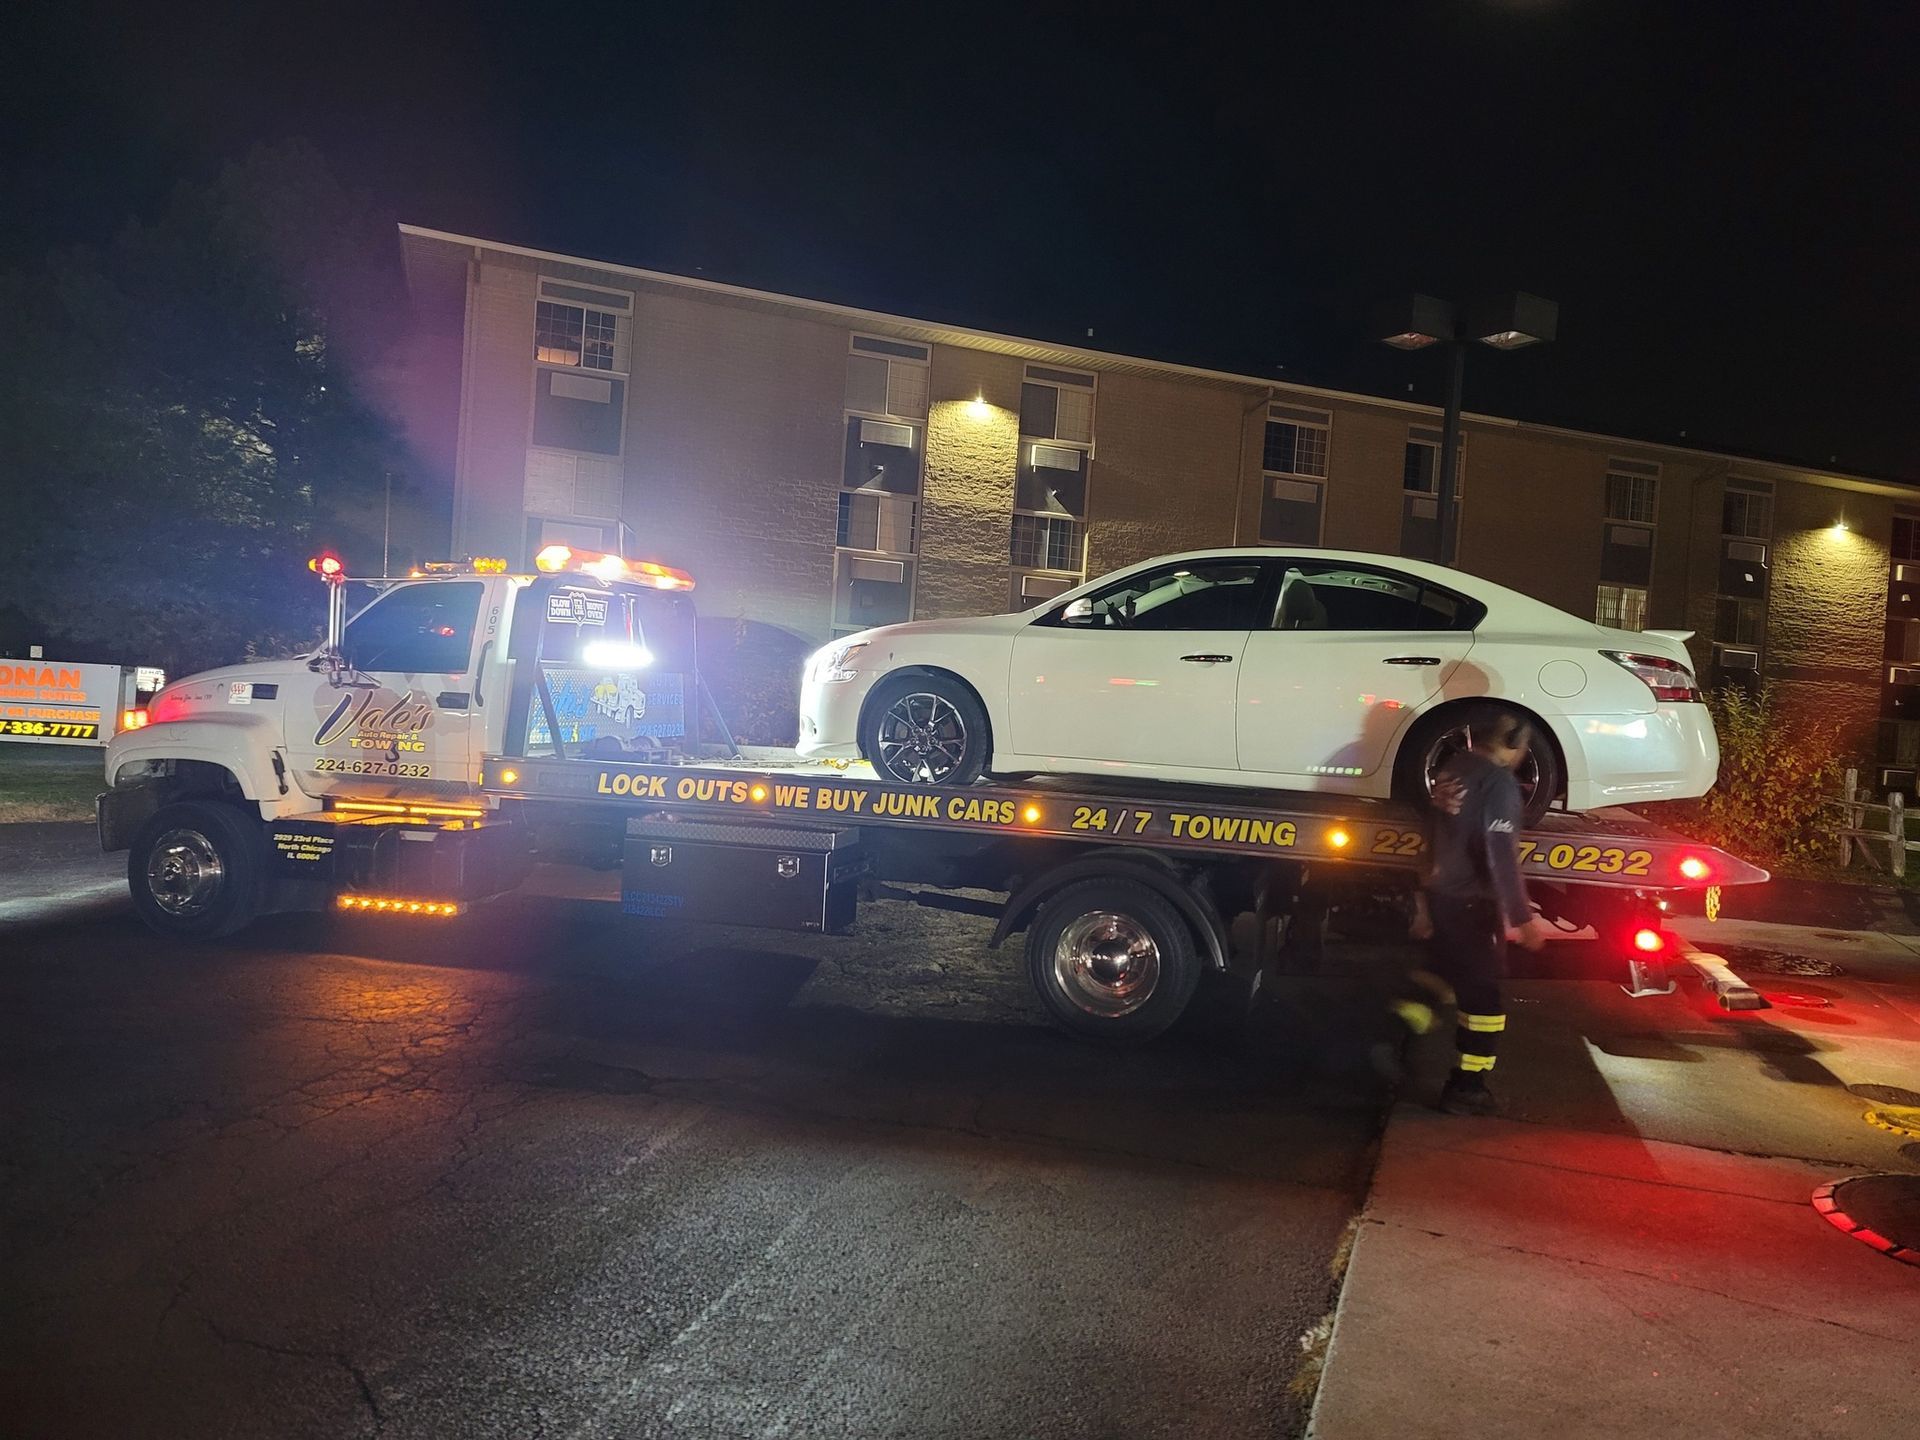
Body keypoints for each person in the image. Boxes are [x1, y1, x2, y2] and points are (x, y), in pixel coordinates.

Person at [1406, 714, 1555, 1116]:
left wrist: (1423, 901)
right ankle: (1467, 1087)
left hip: (1441, 896)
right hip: (1471, 904)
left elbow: (1431, 836)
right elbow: (1499, 851)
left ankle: (1390, 1046)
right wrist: (1522, 918)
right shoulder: (1498, 781)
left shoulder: (1453, 769)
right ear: (1512, 742)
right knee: (1483, 1002)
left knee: (1436, 977)